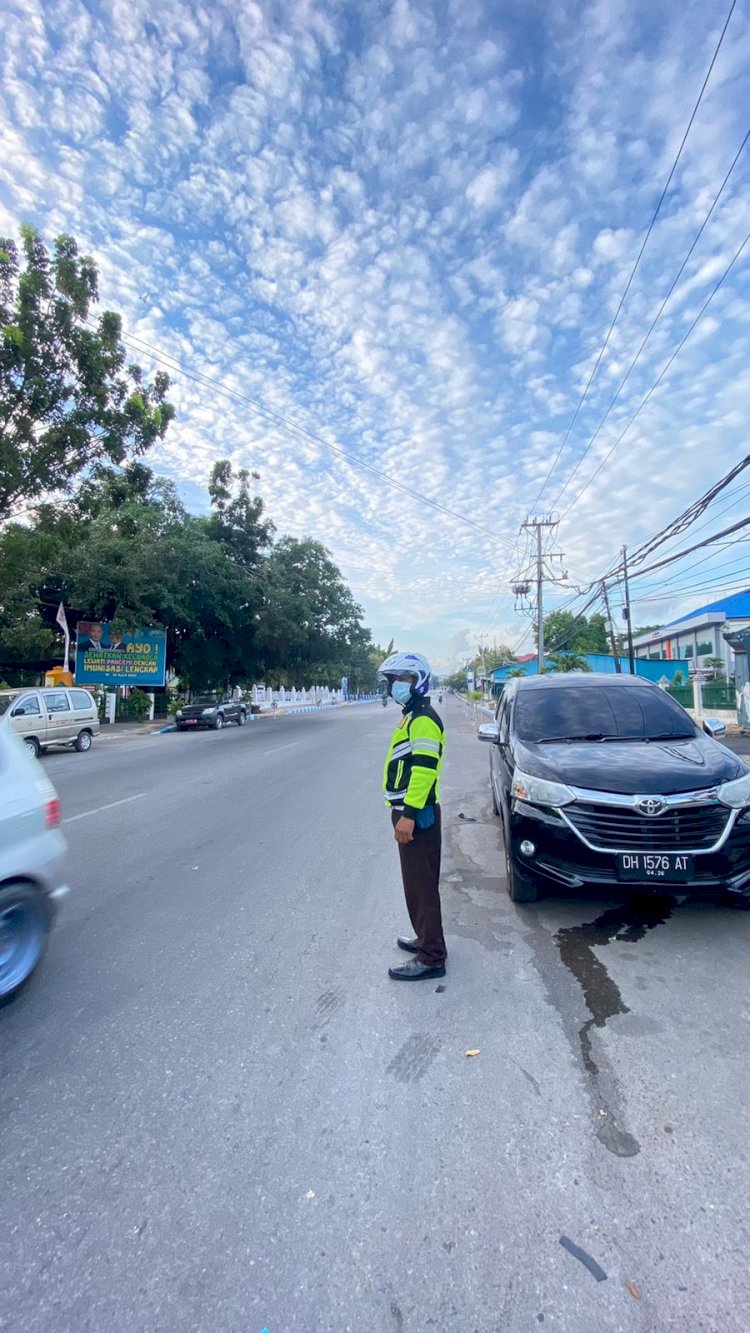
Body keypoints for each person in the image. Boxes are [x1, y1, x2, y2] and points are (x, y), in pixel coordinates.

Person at [378, 651, 447, 980]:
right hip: (414, 811)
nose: (394, 687)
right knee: (419, 883)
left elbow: (423, 770)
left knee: (421, 885)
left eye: (400, 680)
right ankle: (425, 938)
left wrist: (407, 815)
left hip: (416, 815)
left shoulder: (422, 719)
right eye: (392, 681)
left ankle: (431, 957)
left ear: (417, 681)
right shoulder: (413, 715)